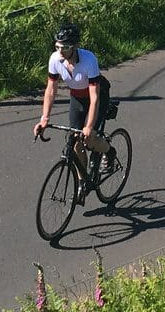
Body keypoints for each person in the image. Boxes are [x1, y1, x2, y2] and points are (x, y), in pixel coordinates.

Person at [33, 22, 114, 200]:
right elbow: (51, 90)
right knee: (75, 140)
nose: (61, 51)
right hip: (77, 97)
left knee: (89, 138)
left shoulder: (89, 60)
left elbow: (94, 98)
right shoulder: (55, 59)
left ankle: (109, 151)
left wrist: (89, 126)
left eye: (66, 47)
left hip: (97, 95)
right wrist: (44, 118)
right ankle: (82, 181)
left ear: (76, 46)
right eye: (57, 47)